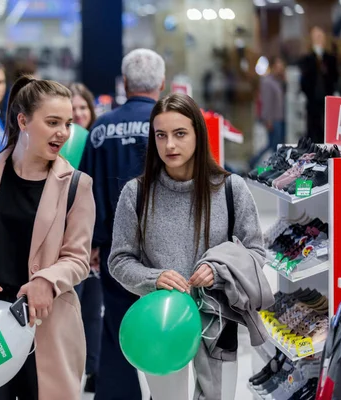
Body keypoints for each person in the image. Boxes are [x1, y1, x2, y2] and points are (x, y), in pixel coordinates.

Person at [0, 75, 96, 400]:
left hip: (46, 327)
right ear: (23, 120)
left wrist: (47, 279)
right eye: (52, 122)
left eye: (67, 123)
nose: (63, 133)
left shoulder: (76, 185)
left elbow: (78, 258)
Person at [108, 93, 267, 399]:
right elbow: (119, 260)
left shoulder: (231, 189)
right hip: (160, 323)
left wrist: (218, 271)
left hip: (217, 322)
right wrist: (154, 278)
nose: (169, 145)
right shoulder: (136, 194)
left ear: (198, 134)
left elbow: (257, 253)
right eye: (161, 135)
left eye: (180, 134)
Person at [78, 48, 165, 400]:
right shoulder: (168, 127)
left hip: (115, 251)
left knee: (116, 330)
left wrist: (94, 243)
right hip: (165, 251)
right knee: (165, 326)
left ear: (124, 83)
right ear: (161, 83)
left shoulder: (100, 129)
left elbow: (87, 190)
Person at [68, 82, 101, 393]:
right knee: (69, 307)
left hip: (94, 238)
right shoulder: (58, 144)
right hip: (66, 242)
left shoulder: (98, 144)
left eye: (82, 108)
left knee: (93, 307)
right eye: (73, 108)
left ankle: (94, 368)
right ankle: (68, 368)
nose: (78, 113)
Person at [300, 27, 338, 143]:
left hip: (328, 100)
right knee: (313, 129)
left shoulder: (330, 59)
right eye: (316, 37)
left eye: (321, 36)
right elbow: (304, 80)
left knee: (327, 128)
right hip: (312, 100)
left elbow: (335, 77)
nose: (319, 39)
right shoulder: (307, 59)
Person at [249, 56, 286, 169]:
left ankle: (270, 165)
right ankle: (254, 162)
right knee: (272, 145)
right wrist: (268, 120)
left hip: (279, 118)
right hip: (273, 119)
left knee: (273, 145)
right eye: (278, 66)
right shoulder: (267, 82)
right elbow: (267, 102)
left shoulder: (278, 81)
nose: (280, 69)